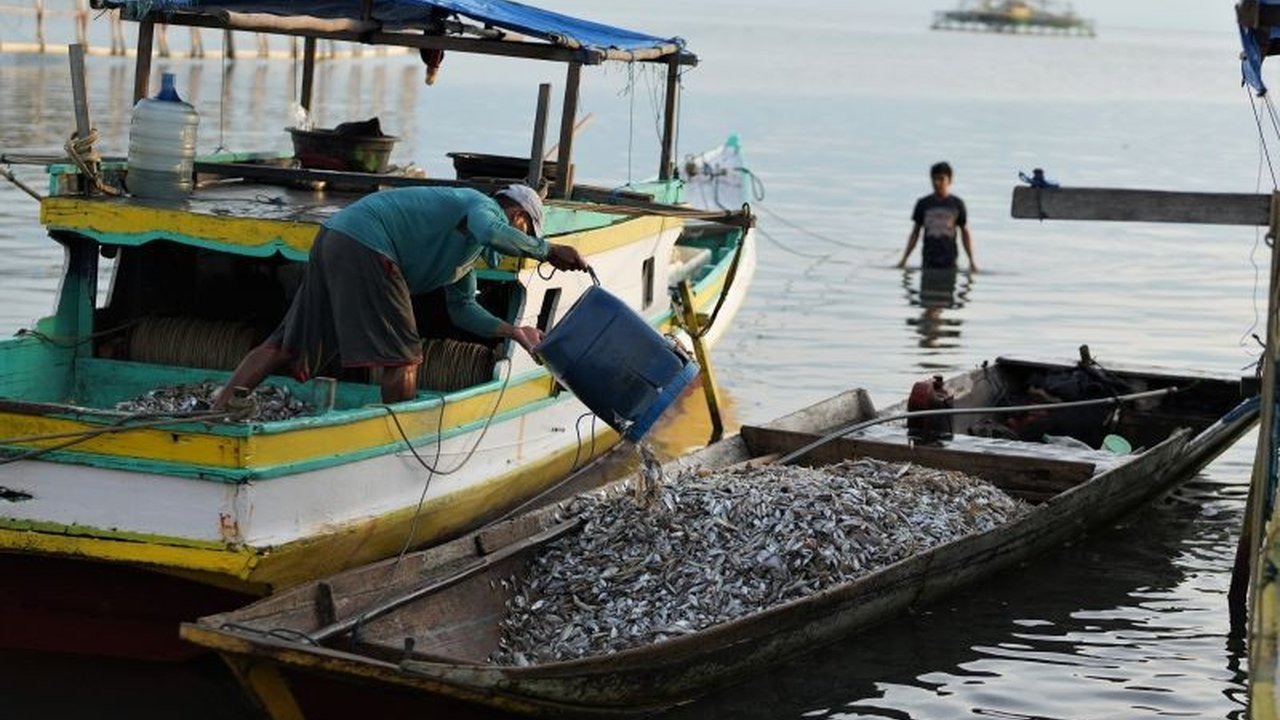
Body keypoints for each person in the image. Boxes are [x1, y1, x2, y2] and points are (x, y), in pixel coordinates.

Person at [213, 183, 588, 409]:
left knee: (284, 344)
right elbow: (491, 230)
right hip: (369, 245)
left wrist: (514, 331)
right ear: (517, 214)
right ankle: (397, 438)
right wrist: (549, 249)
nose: (523, 239)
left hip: (335, 237)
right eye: (526, 229)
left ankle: (222, 406)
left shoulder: (465, 254)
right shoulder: (481, 205)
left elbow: (462, 309)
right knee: (404, 360)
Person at [897, 161, 977, 272]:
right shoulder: (923, 204)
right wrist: (904, 259)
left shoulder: (957, 204)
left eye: (941, 179)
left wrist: (971, 261)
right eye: (934, 179)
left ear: (950, 180)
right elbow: (915, 232)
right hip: (928, 261)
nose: (937, 183)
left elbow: (964, 232)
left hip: (949, 262)